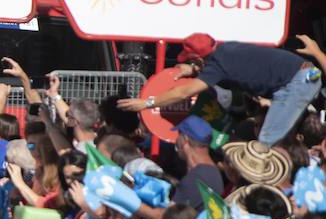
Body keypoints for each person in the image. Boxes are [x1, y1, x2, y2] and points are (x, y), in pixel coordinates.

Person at [119, 32, 322, 150]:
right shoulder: (228, 49)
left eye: (191, 61)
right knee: (275, 137)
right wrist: (194, 70)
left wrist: (147, 103)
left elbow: (183, 93)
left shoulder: (218, 65)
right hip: (304, 74)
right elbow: (231, 72)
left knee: (265, 144)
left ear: (198, 58)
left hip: (298, 82)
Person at [169, 115, 223, 210]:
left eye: (179, 134)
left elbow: (165, 215)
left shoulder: (196, 178)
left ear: (185, 139)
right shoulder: (211, 172)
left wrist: (140, 205)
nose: (176, 139)